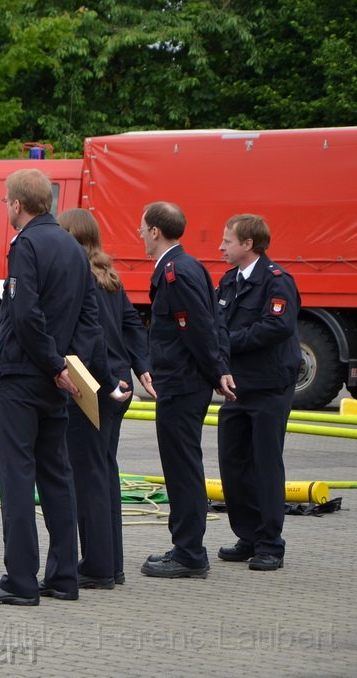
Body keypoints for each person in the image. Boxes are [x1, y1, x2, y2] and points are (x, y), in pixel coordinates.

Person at [0, 171, 126, 606]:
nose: (5, 208)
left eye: (5, 203)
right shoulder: (76, 250)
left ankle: (20, 579)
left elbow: (24, 314)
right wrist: (69, 368)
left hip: (23, 377)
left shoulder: (27, 245)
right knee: (58, 477)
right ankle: (62, 576)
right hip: (58, 382)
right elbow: (90, 320)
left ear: (18, 205)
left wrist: (54, 363)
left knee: (17, 477)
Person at [59, 208, 155, 589]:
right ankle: (110, 563)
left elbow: (91, 337)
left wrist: (103, 381)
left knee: (88, 476)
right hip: (118, 383)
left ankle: (98, 566)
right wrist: (139, 366)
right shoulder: (110, 277)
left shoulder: (78, 277)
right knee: (104, 470)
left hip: (93, 384)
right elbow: (132, 323)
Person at [139, 201, 235, 579]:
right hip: (185, 380)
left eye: (142, 227)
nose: (139, 233)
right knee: (183, 465)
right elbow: (216, 322)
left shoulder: (175, 271)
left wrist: (216, 373)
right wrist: (219, 370)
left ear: (155, 232)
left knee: (182, 469)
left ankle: (190, 552)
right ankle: (186, 546)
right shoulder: (188, 266)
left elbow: (196, 328)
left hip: (182, 383)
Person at [215, 214, 300, 572]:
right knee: (233, 464)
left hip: (268, 386)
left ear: (248, 244)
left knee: (265, 464)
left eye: (228, 240)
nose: (221, 246)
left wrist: (227, 344)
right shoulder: (229, 281)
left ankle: (270, 544)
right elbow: (215, 323)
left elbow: (275, 327)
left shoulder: (277, 282)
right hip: (237, 388)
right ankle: (247, 535)